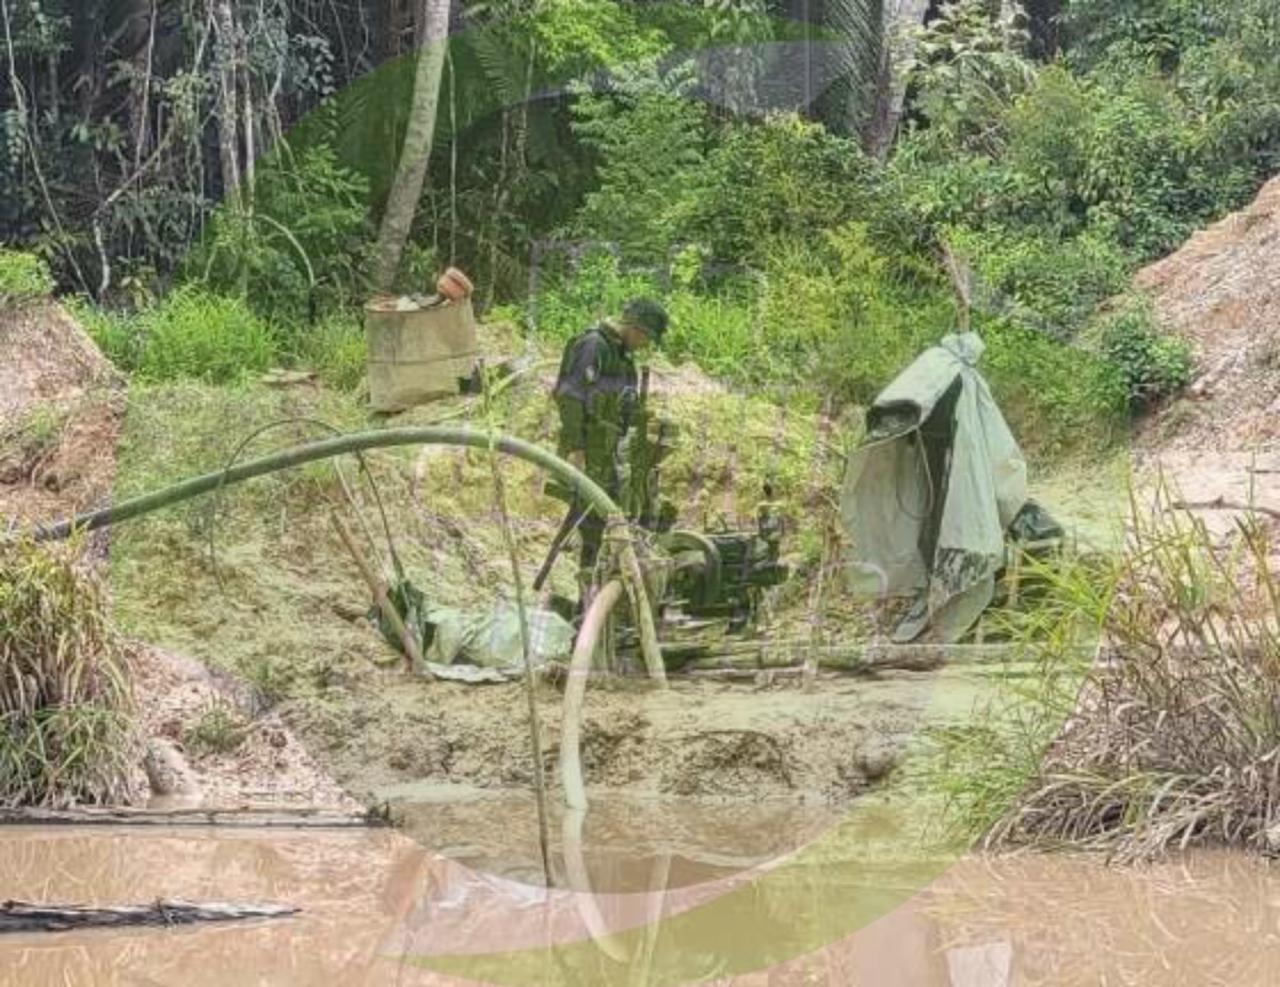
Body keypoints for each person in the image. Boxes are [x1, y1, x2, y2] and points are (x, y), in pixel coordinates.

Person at [552, 298, 669, 575]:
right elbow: (569, 397)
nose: (645, 344)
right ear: (635, 328)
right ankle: (588, 601)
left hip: (608, 456)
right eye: (646, 337)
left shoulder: (623, 358)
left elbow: (623, 409)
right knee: (593, 528)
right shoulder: (593, 346)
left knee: (620, 522)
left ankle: (603, 593)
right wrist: (576, 449)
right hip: (586, 455)